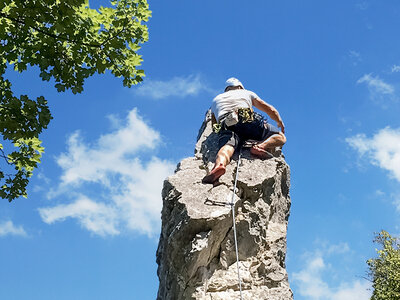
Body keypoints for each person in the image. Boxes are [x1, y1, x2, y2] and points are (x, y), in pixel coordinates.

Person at [202, 77, 286, 184]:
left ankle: (220, 165)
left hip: (227, 124)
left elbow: (214, 125)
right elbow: (269, 109)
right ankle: (260, 147)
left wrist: (222, 132)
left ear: (226, 89)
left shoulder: (216, 100)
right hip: (247, 121)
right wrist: (279, 122)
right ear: (240, 87)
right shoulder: (246, 93)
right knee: (281, 137)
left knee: (227, 147)